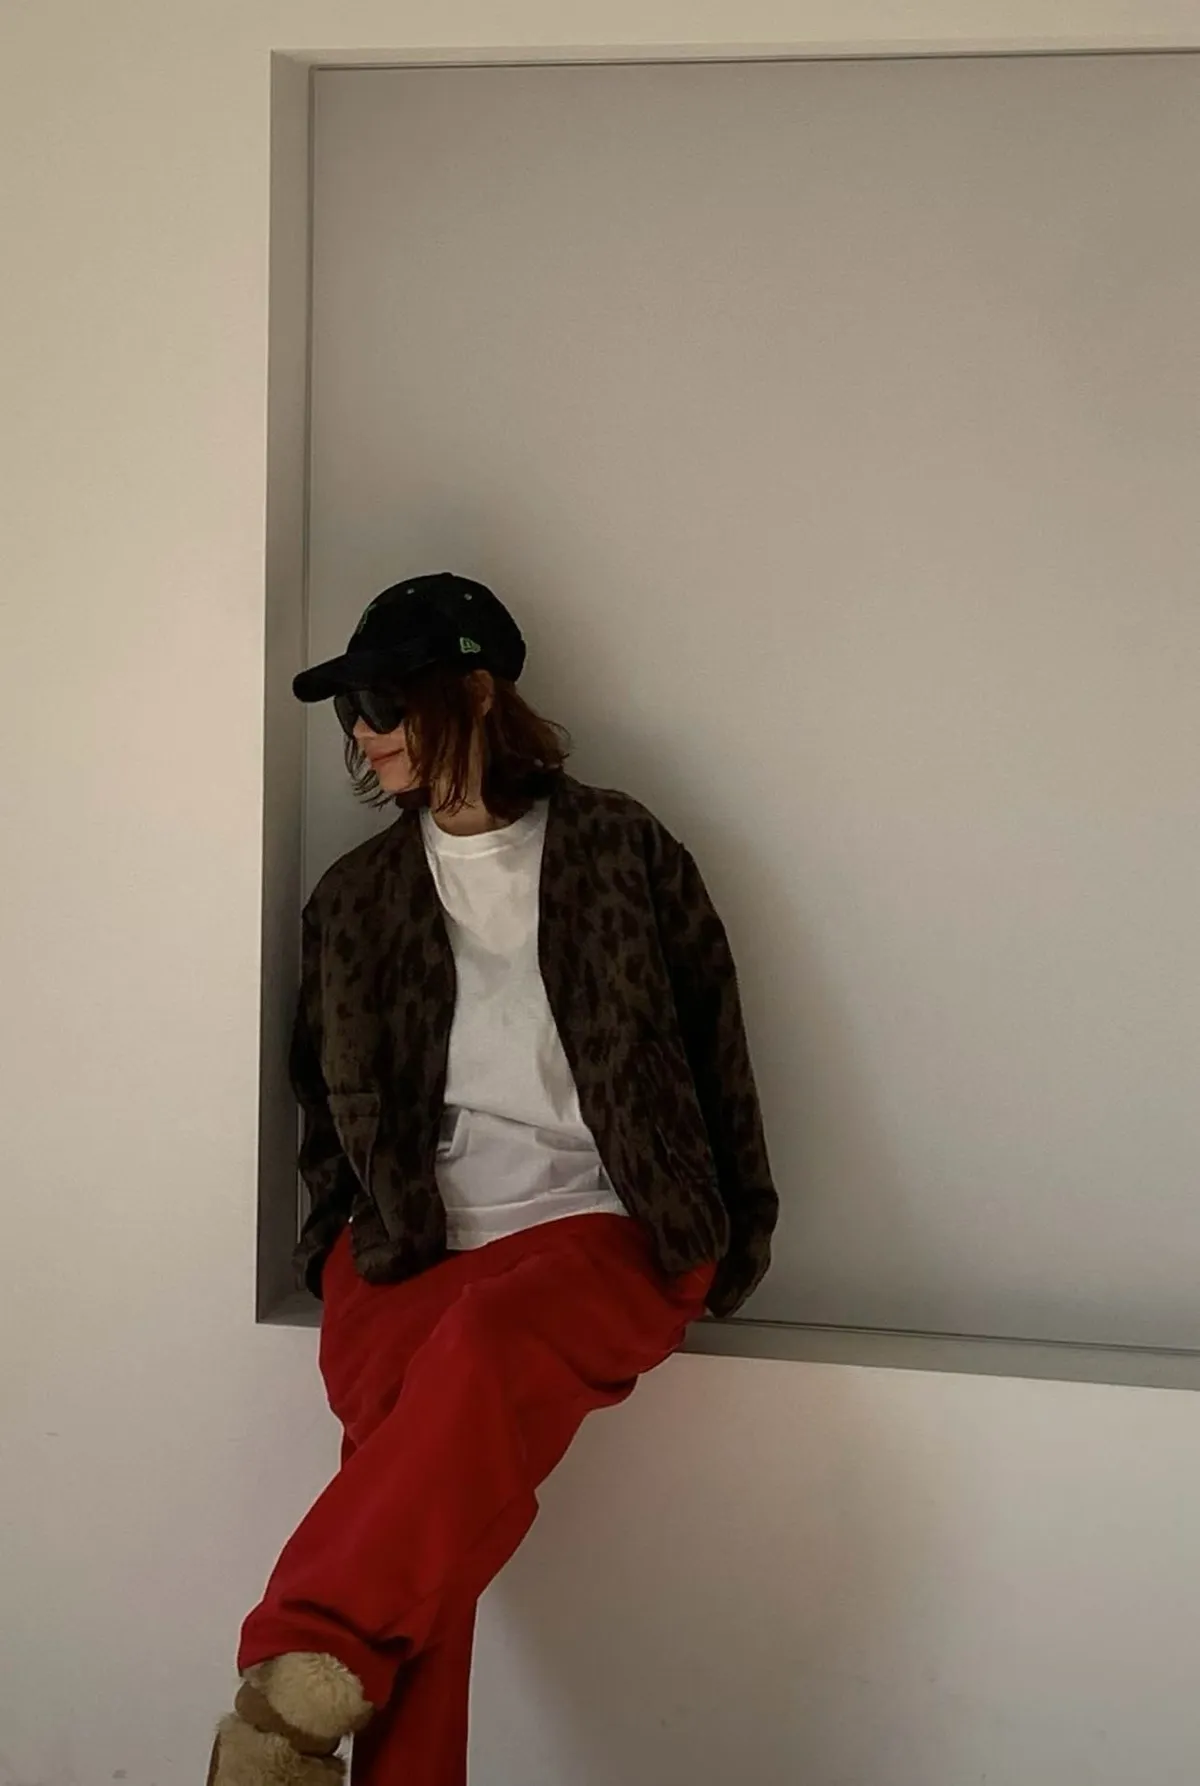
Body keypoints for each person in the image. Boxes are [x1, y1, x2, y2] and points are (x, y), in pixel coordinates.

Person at [208, 571, 778, 1786]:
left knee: (466, 1373)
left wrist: (735, 1230)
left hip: (602, 1229)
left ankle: (292, 1683)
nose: (363, 731)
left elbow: (717, 1039)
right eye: (349, 708)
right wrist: (333, 1244)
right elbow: (319, 1094)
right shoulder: (355, 898)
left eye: (384, 699)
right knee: (427, 1514)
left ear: (474, 691)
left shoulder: (622, 850)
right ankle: (305, 1707)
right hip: (411, 1242)